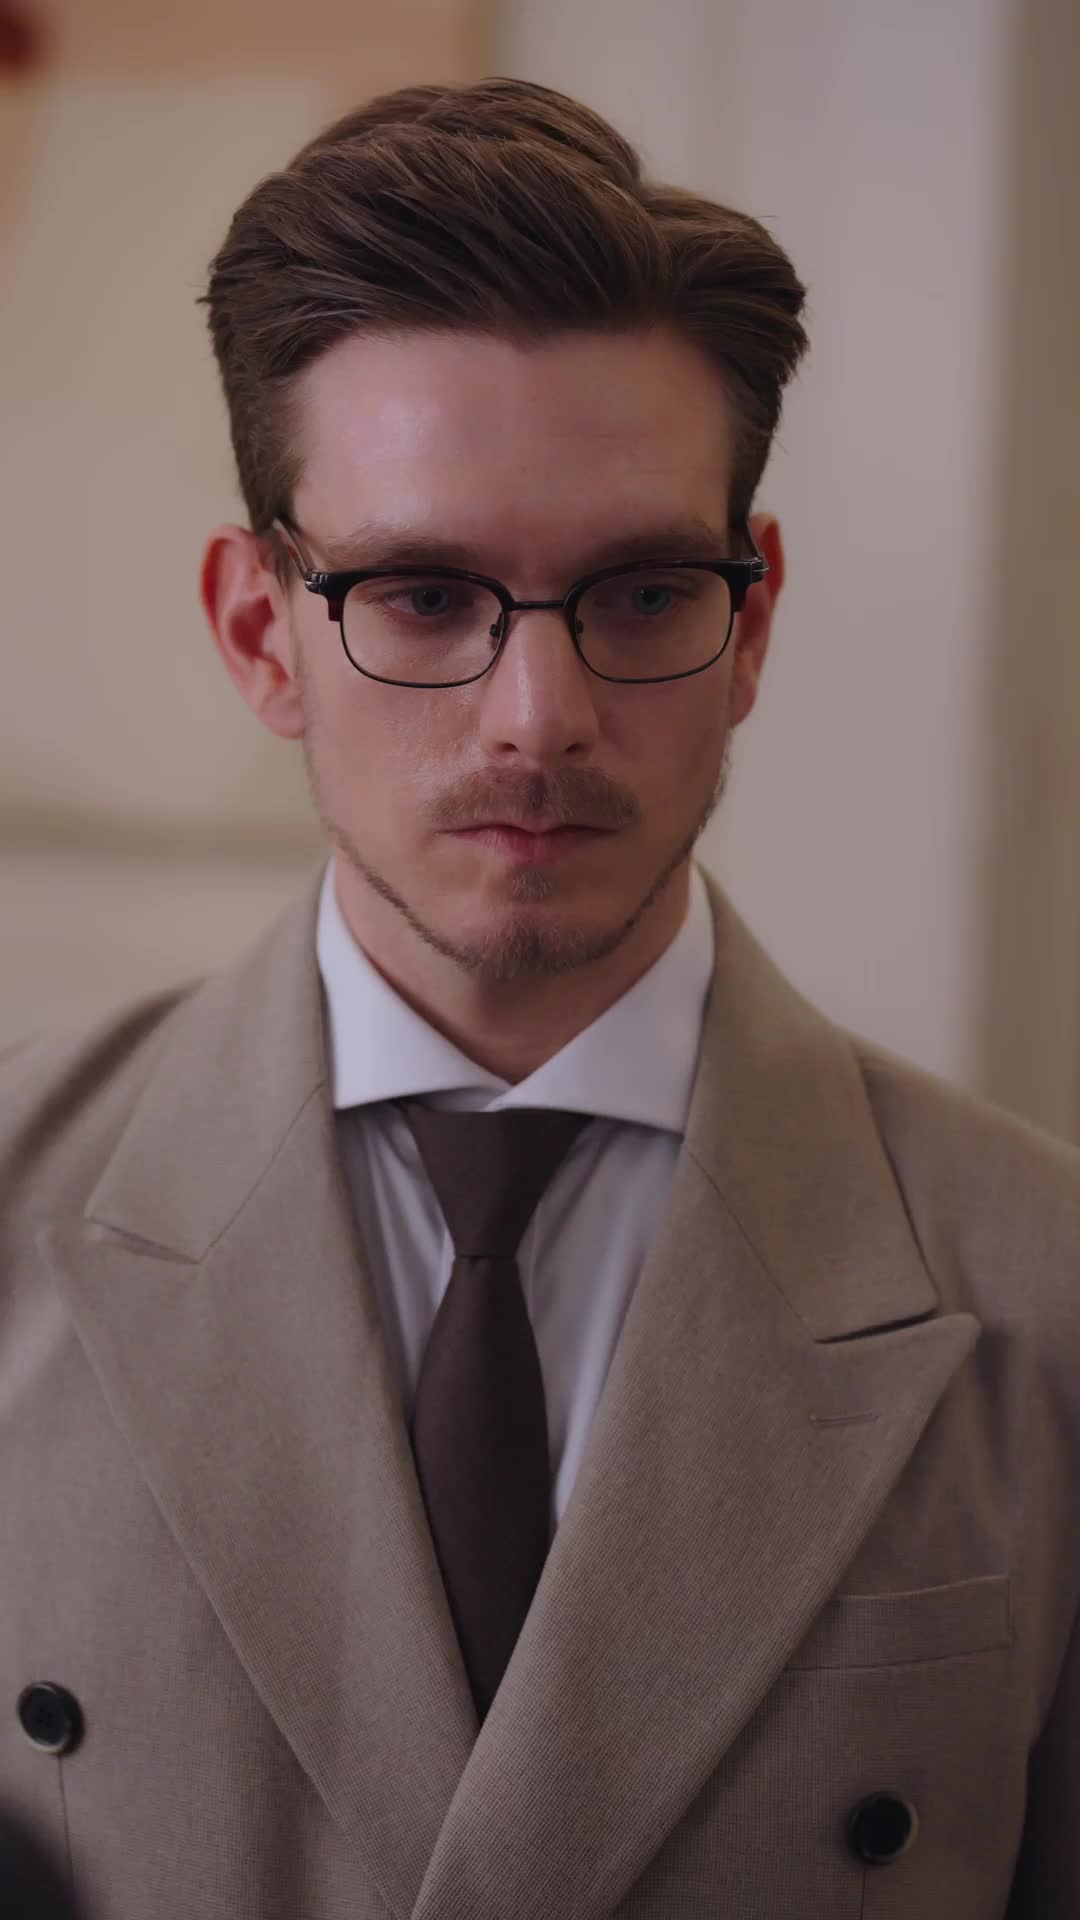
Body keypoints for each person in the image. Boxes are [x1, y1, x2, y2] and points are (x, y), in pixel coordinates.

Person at [1, 74, 1076, 1920]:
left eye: (641, 595)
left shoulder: (1044, 1292)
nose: (539, 719)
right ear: (262, 632)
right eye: (424, 597)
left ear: (749, 624)